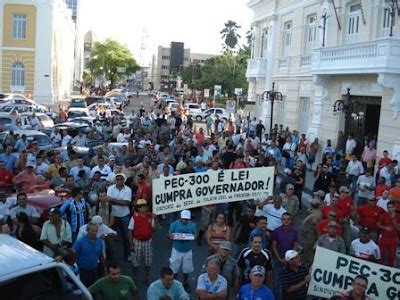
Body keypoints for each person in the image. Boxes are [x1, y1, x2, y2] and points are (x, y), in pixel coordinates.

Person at [271, 213, 299, 300]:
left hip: (290, 261)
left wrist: (290, 259)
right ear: (281, 220)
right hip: (278, 260)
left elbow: (295, 245)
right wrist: (279, 258)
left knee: (290, 281)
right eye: (284, 219)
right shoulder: (276, 231)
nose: (286, 221)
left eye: (288, 219)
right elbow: (273, 246)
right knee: (277, 281)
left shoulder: (294, 232)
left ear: (291, 220)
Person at [128, 199, 155, 285]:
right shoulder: (134, 217)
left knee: (148, 261)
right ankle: (135, 276)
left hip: (148, 242)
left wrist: (155, 219)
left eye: (144, 205)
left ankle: (147, 276)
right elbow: (130, 231)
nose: (143, 207)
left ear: (147, 207)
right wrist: (131, 244)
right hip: (137, 242)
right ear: (138, 208)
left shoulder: (151, 216)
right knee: (135, 262)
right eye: (140, 206)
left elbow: (155, 229)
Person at [168, 210, 196, 292]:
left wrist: (192, 237)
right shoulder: (174, 224)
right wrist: (170, 236)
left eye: (186, 219)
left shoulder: (192, 225)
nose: (185, 221)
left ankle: (185, 282)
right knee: (174, 268)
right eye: (183, 219)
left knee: (186, 268)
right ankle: (174, 283)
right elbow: (169, 233)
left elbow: (195, 235)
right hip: (176, 249)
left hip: (187, 250)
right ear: (180, 217)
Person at [107, 173, 132, 261]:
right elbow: (108, 201)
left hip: (124, 215)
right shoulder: (110, 188)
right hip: (112, 216)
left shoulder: (128, 189)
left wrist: (113, 200)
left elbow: (127, 203)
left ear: (124, 180)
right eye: (117, 179)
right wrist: (120, 201)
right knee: (110, 237)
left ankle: (128, 255)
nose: (119, 181)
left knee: (126, 237)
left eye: (121, 179)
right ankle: (111, 257)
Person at [73, 222, 105, 287]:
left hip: (94, 270)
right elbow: (74, 254)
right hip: (82, 271)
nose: (95, 233)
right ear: (87, 230)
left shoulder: (99, 242)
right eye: (93, 231)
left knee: (93, 289)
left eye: (96, 231)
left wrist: (104, 268)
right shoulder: (80, 242)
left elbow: (100, 255)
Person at [377, 201, 400, 266]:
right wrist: (384, 227)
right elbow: (378, 225)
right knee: (381, 255)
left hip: (393, 239)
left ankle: (391, 268)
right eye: (388, 207)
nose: (390, 209)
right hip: (384, 238)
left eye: (392, 207)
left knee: (391, 256)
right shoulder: (384, 215)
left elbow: (398, 228)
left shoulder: (398, 216)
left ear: (395, 207)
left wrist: (393, 218)